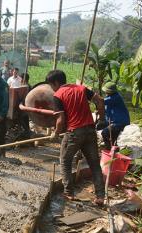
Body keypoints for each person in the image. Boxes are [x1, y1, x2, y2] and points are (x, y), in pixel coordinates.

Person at [46, 70, 105, 206]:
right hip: (90, 130)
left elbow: (60, 120)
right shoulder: (81, 89)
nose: (51, 88)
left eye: (51, 85)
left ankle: (69, 193)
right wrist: (101, 119)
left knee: (65, 161)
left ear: (56, 83)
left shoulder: (58, 95)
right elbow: (100, 101)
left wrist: (55, 133)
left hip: (74, 133)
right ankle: (100, 196)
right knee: (95, 164)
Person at [99, 82, 130, 149]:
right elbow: (107, 110)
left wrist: (91, 96)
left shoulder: (115, 97)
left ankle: (109, 148)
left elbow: (100, 101)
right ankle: (113, 147)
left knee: (105, 132)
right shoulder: (111, 97)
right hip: (115, 121)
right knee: (111, 135)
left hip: (119, 122)